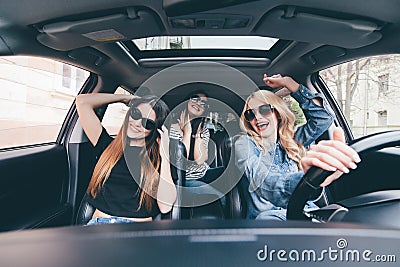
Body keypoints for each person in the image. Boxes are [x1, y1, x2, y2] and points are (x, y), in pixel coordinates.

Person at [235, 74, 361, 220]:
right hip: (270, 220)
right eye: (250, 114)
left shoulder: (295, 138)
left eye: (264, 109)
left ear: (278, 113)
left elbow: (324, 117)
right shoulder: (244, 143)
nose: (257, 118)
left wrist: (289, 83)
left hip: (306, 213)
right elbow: (262, 181)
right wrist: (308, 179)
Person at [76, 93, 176, 225]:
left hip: (135, 228)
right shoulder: (107, 146)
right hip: (98, 225)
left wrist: (165, 156)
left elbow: (166, 207)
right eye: (135, 114)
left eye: (147, 123)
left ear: (156, 131)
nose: (137, 123)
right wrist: (125, 98)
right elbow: (82, 101)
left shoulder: (158, 160)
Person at [169, 91, 225, 202]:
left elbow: (200, 160)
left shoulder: (203, 130)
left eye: (203, 103)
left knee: (233, 173)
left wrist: (198, 132)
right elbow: (180, 163)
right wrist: (187, 132)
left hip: (204, 172)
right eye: (195, 98)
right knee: (219, 198)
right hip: (187, 179)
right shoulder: (171, 129)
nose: (199, 103)